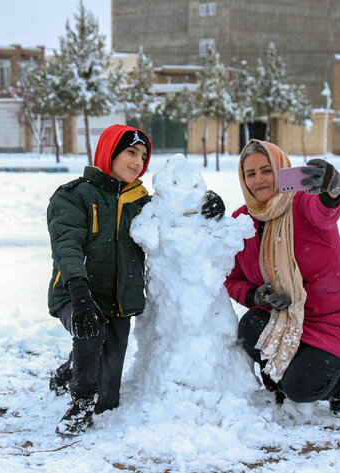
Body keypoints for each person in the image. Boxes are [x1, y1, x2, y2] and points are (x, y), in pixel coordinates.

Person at [47, 124, 225, 436]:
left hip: (118, 303)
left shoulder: (142, 202)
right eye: (131, 152)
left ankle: (71, 369)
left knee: (109, 398)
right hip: (76, 294)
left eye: (143, 156)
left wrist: (206, 205)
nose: (138, 161)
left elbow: (176, 214)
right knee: (89, 331)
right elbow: (67, 246)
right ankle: (79, 404)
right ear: (109, 152)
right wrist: (79, 292)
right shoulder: (73, 196)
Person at [224, 139, 340, 414]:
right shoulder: (241, 221)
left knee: (301, 388)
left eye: (266, 170)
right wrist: (256, 295)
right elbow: (230, 278)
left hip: (332, 322)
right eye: (250, 174)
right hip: (285, 319)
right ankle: (283, 375)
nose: (259, 180)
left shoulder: (302, 204)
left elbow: (326, 210)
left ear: (281, 170)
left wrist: (332, 190)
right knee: (250, 326)